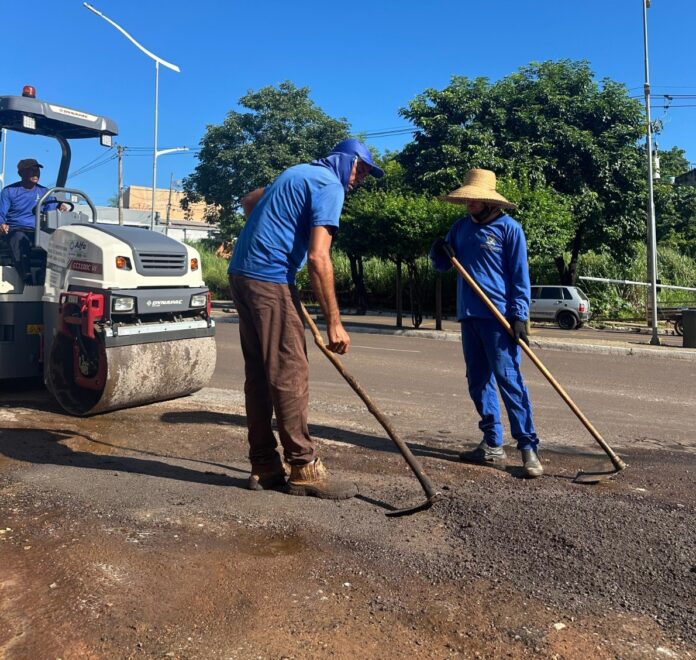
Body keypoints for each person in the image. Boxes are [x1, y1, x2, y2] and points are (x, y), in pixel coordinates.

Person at [228, 139, 384, 498]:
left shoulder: (297, 172)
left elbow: (251, 200)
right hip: (269, 279)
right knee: (289, 371)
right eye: (361, 170)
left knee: (260, 374)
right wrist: (334, 322)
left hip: (241, 274)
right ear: (348, 161)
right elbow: (318, 258)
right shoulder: (329, 184)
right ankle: (303, 467)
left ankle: (265, 465)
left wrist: (271, 235)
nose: (359, 180)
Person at [430, 168, 542, 478]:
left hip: (499, 319)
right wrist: (438, 250)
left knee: (509, 380)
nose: (469, 204)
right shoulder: (460, 228)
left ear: (490, 202)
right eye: (467, 199)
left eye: (475, 199)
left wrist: (519, 315)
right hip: (470, 317)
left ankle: (527, 448)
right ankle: (492, 444)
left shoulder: (510, 230)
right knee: (478, 382)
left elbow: (521, 278)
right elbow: (441, 265)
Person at [0, 158, 59, 284]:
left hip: (37, 231)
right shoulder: (9, 191)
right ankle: (26, 278)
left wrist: (60, 207)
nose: (35, 173)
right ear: (21, 173)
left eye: (37, 170)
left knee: (56, 243)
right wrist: (2, 224)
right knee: (19, 239)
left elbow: (52, 211)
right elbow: (1, 213)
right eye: (31, 170)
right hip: (16, 229)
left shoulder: (45, 192)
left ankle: (45, 277)